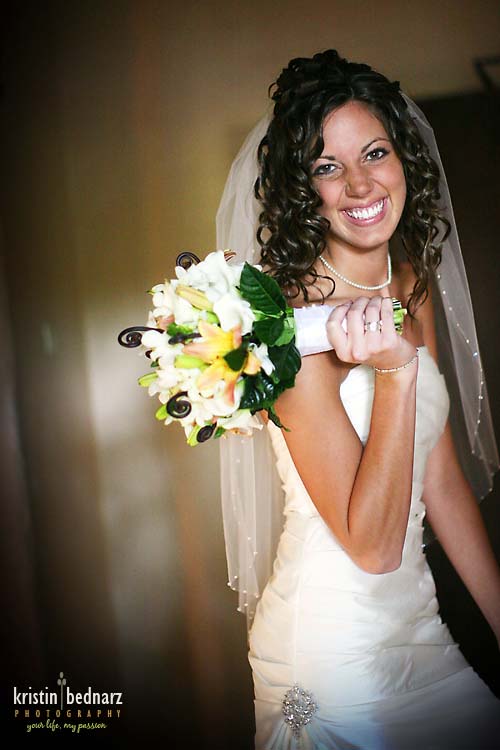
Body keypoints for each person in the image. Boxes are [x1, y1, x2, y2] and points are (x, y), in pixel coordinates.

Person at [217, 50, 500, 749]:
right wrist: (396, 374)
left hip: (419, 624)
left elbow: (438, 476)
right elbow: (371, 548)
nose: (359, 183)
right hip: (337, 651)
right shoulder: (288, 330)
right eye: (327, 166)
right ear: (301, 189)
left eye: (375, 152)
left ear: (405, 160)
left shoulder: (409, 284)